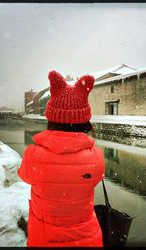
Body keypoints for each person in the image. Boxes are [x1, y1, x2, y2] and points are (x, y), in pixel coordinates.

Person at [17, 70, 105, 247]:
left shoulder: (33, 154)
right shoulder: (96, 156)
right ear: (85, 121)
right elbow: (93, 180)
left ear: (51, 118)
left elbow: (24, 176)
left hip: (44, 238)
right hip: (87, 238)